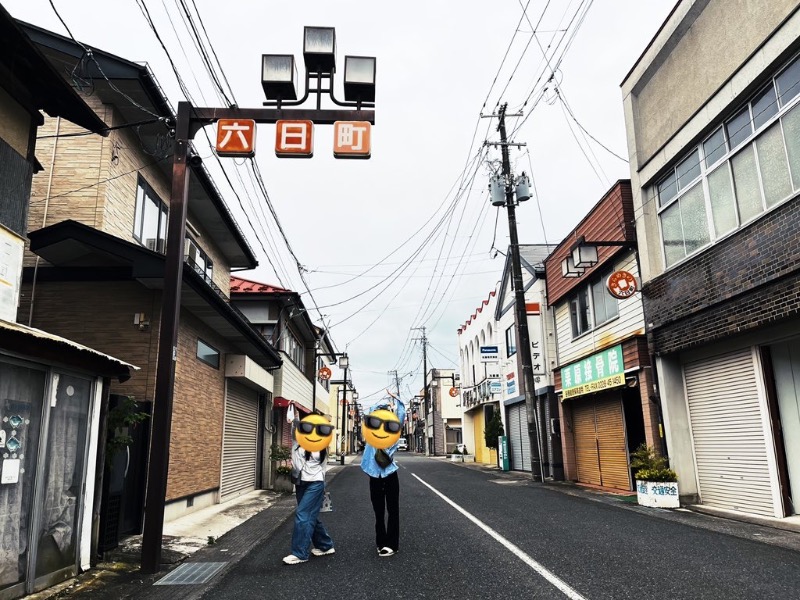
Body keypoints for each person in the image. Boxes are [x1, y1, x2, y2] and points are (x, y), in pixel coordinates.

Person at [282, 407, 335, 565]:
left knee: (303, 515)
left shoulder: (321, 442)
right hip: (300, 482)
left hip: (315, 483)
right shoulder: (298, 439)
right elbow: (294, 425)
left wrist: (323, 485)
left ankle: (300, 553)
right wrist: (296, 417)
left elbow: (323, 468)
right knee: (310, 516)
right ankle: (325, 545)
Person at [360, 398, 406, 557]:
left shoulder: (392, 432)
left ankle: (392, 544)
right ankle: (381, 542)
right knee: (378, 511)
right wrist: (383, 404)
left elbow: (401, 416)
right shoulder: (371, 432)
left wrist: (396, 402)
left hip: (390, 474)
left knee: (393, 510)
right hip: (375, 476)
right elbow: (371, 413)